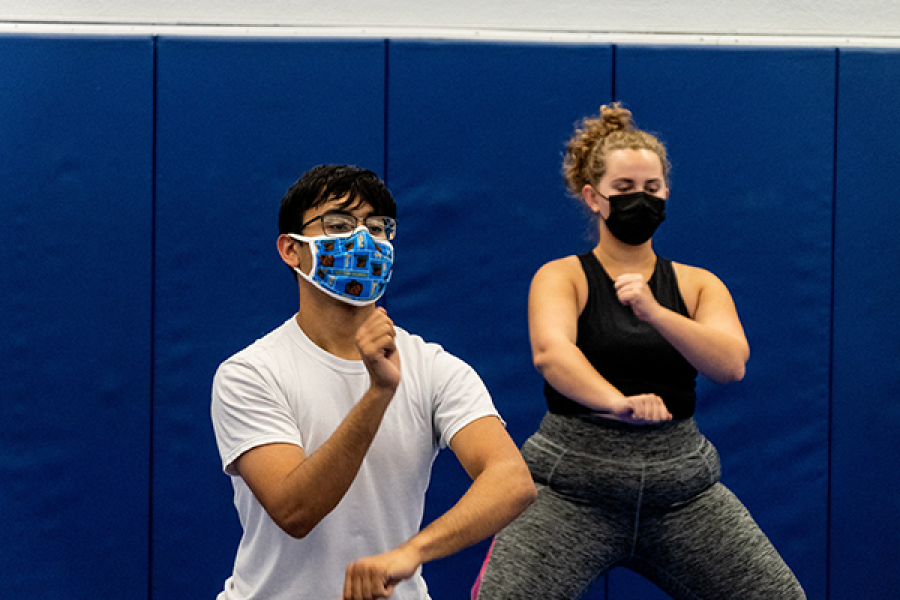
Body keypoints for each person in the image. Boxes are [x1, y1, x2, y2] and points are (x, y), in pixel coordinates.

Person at [472, 104, 806, 599]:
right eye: (624, 190)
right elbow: (552, 353)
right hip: (571, 489)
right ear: (594, 197)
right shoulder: (562, 276)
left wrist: (655, 312)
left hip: (681, 493)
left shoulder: (696, 284)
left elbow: (730, 362)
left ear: (666, 193)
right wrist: (616, 402)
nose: (640, 200)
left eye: (651, 189)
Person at [211, 164, 536, 600]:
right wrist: (379, 393)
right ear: (291, 249)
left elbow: (512, 481)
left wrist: (413, 552)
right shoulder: (250, 373)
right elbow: (295, 511)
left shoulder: (435, 366)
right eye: (339, 224)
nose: (363, 240)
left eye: (379, 227)